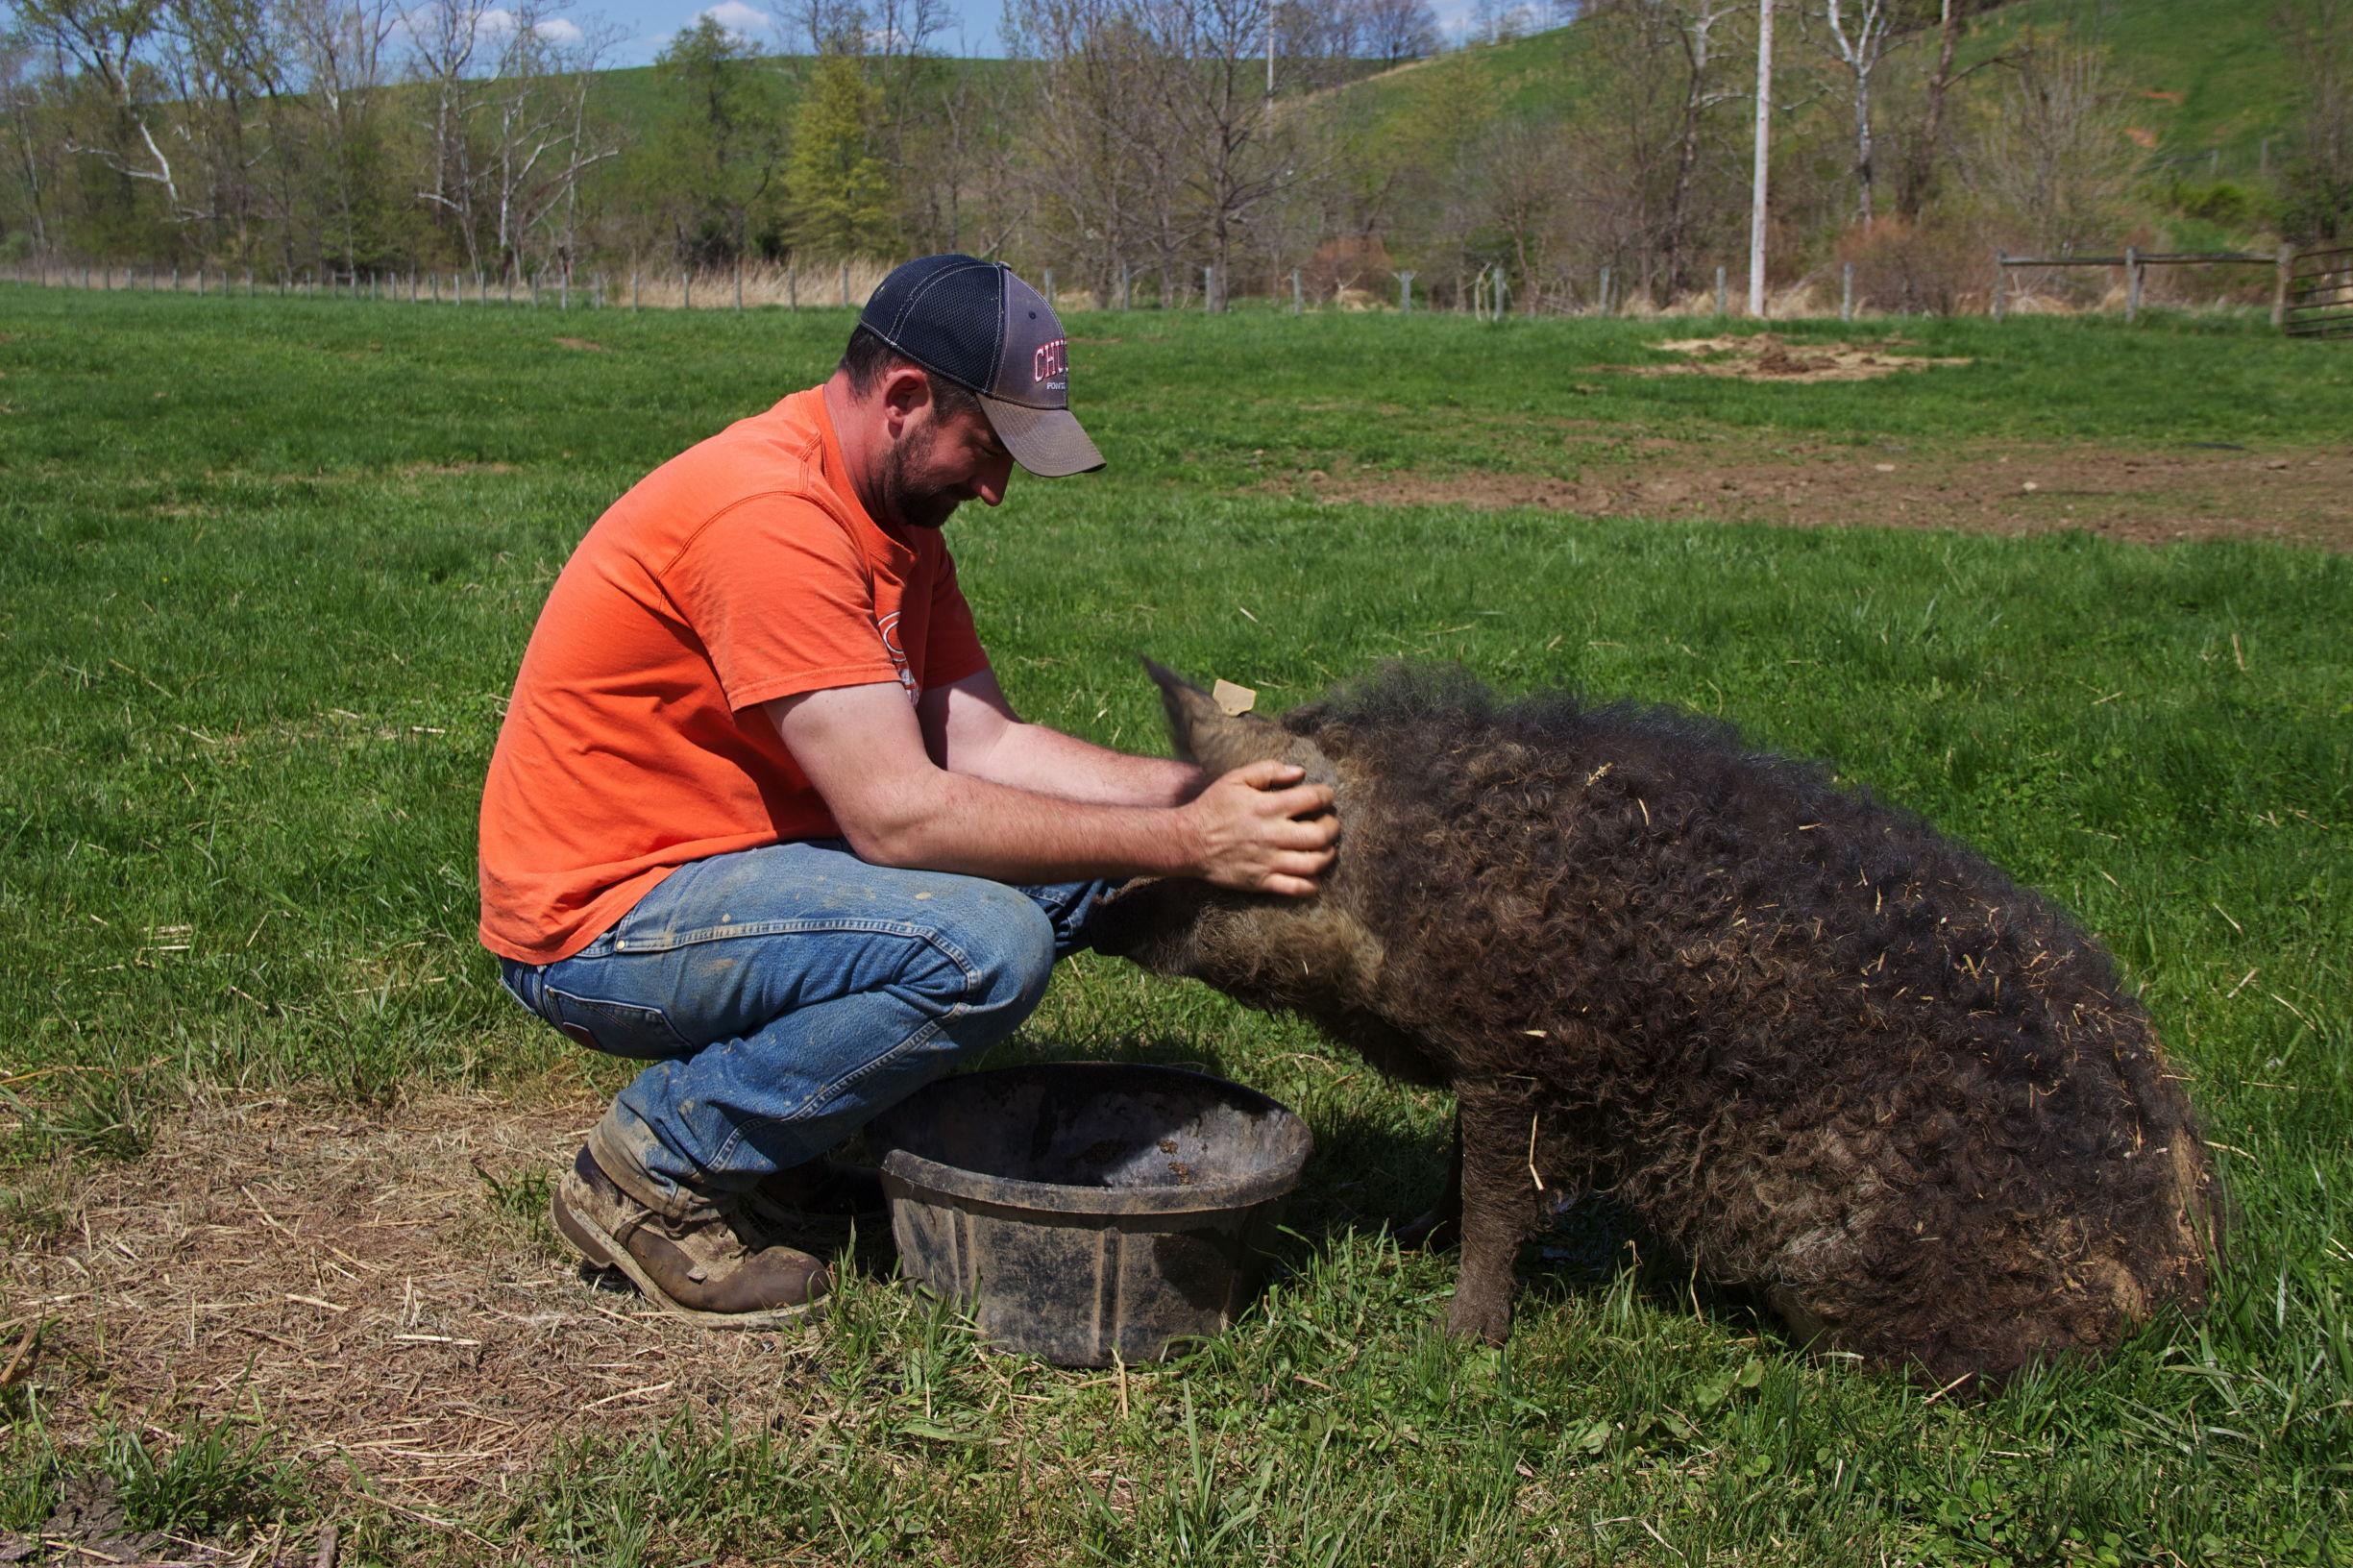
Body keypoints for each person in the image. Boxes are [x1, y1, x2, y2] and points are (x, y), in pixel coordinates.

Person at [478, 255, 1338, 1327]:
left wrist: (1201, 792)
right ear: (903, 400)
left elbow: (980, 740)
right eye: (988, 449)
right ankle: (654, 1172)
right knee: (985, 943)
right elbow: (897, 815)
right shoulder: (772, 518)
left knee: (1081, 875)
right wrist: (1193, 844)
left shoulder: (894, 519)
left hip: (734, 874)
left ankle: (780, 1148)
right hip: (601, 923)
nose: (994, 488)